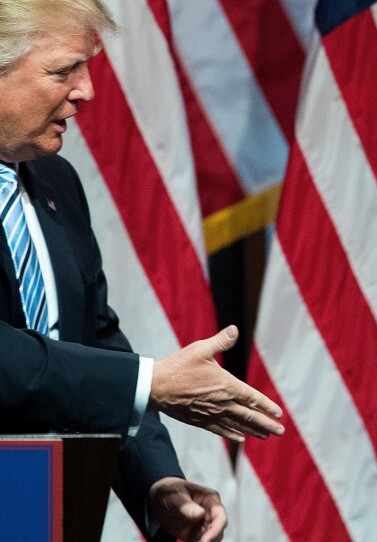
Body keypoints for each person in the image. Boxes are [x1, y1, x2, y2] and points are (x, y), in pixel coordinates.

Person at [0, 1, 285, 541]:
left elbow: (98, 345)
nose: (86, 91)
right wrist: (153, 382)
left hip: (42, 511)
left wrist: (157, 484)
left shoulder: (56, 183)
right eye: (64, 70)